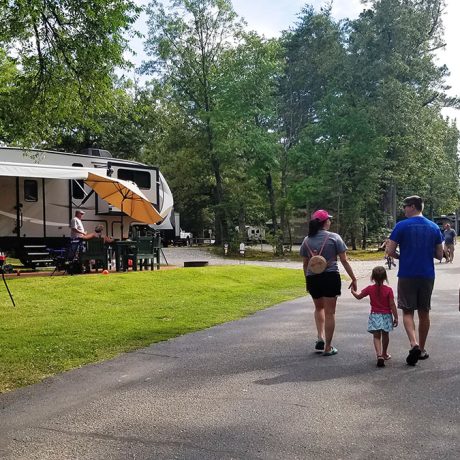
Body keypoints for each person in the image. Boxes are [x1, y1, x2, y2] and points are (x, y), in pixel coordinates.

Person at [386, 196, 443, 365]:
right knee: (424, 312)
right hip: (426, 274)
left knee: (408, 311)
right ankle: (422, 350)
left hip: (407, 273)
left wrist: (401, 256)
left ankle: (413, 343)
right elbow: (440, 255)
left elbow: (389, 250)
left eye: (405, 206)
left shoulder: (401, 226)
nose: (404, 209)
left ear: (412, 206)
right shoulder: (434, 227)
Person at [300, 209, 357, 356]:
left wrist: (307, 280)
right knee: (330, 313)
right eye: (329, 220)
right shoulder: (334, 238)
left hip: (313, 278)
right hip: (330, 277)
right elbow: (344, 260)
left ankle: (320, 337)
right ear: (325, 222)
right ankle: (328, 347)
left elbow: (305, 264)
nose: (330, 221)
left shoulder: (307, 240)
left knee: (318, 308)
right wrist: (353, 278)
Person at [351, 266, 398, 367]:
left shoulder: (370, 289)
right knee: (385, 335)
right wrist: (396, 317)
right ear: (385, 277)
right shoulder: (388, 290)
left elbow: (359, 296)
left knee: (376, 336)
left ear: (372, 277)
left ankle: (379, 355)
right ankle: (385, 353)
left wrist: (353, 292)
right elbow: (392, 304)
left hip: (375, 315)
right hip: (386, 315)